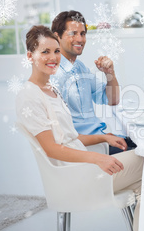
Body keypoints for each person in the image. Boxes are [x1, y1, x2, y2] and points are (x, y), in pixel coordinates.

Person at [16, 25, 144, 231]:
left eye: (56, 51)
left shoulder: (51, 90)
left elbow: (70, 138)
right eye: (45, 52)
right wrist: (98, 159)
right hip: (74, 177)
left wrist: (103, 137)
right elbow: (52, 149)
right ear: (30, 56)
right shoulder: (29, 96)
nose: (53, 57)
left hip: (82, 169)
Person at [51, 10, 136, 155]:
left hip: (100, 140)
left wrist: (110, 74)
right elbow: (63, 137)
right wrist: (103, 138)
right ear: (56, 36)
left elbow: (112, 100)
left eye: (83, 34)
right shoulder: (53, 77)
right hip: (88, 150)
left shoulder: (80, 68)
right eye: (73, 33)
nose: (80, 39)